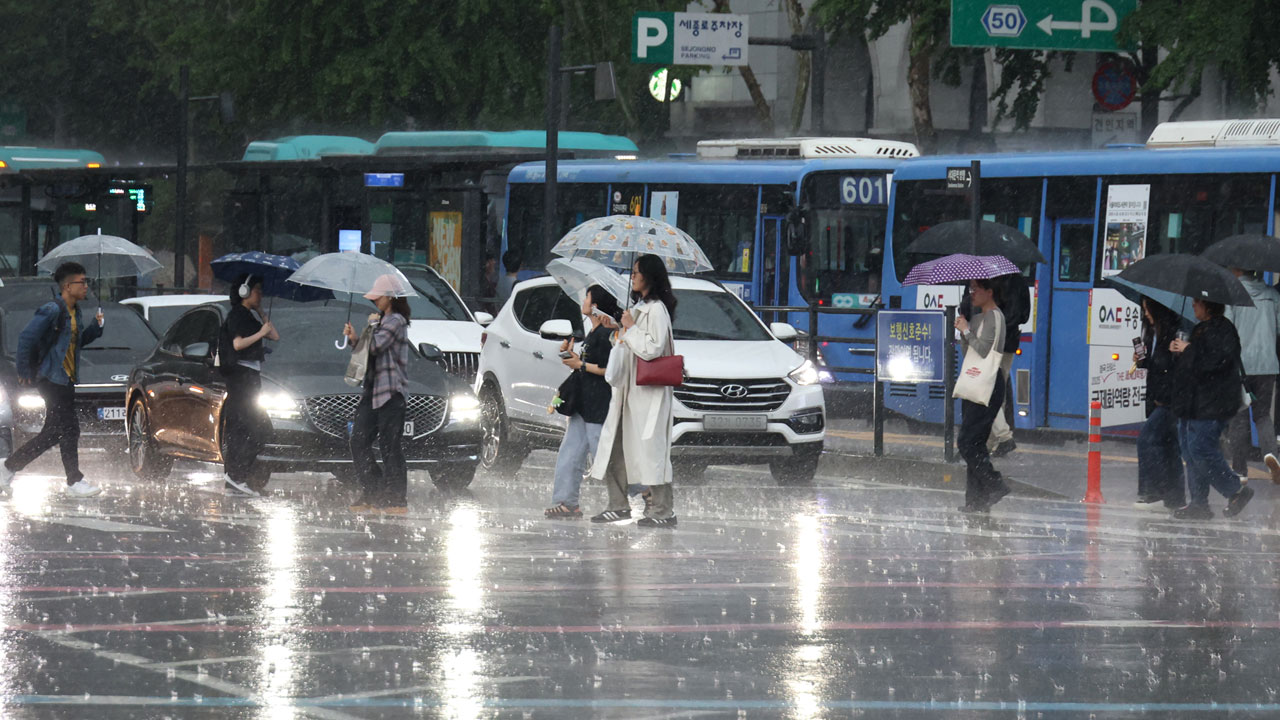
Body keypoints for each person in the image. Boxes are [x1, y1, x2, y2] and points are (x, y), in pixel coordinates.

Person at [1, 262, 105, 497]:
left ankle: (9, 468)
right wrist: (24, 371)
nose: (86, 286)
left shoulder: (76, 312)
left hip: (66, 379)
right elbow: (26, 338)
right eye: (82, 282)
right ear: (67, 286)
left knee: (59, 431)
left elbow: (75, 342)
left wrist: (96, 328)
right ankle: (73, 481)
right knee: (67, 429)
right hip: (51, 379)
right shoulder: (52, 309)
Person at [589, 254, 678, 527]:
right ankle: (618, 504)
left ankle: (663, 510)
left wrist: (629, 328)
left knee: (652, 452)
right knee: (615, 446)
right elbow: (632, 344)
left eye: (637, 272)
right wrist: (619, 330)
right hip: (629, 391)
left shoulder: (657, 310)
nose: (633, 277)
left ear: (649, 276)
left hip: (649, 394)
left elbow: (652, 348)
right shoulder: (639, 308)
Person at [1170, 298, 1254, 520]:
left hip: (1212, 402)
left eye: (1197, 302)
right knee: (1190, 450)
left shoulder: (1223, 329)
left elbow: (1215, 363)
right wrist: (1180, 352)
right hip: (1193, 402)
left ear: (1208, 305)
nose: (1193, 305)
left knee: (1201, 448)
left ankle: (1236, 491)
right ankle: (1199, 503)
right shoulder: (1201, 328)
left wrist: (1189, 350)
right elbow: (1195, 364)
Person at [545, 285, 621, 519]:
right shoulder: (593, 332)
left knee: (604, 455)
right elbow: (586, 364)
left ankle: (644, 490)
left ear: (595, 306)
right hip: (583, 403)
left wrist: (581, 365)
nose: (583, 301)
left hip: (597, 404)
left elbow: (609, 370)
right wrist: (571, 357)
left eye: (587, 297)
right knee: (570, 453)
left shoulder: (607, 335)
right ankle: (566, 502)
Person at [343, 274, 412, 514]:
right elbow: (364, 351)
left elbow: (375, 346)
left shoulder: (396, 321)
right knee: (359, 440)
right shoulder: (381, 321)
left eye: (378, 297)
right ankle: (373, 490)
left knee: (389, 444)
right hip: (372, 390)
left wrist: (369, 328)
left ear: (390, 297)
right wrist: (354, 338)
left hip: (390, 392)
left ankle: (396, 498)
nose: (374, 302)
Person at [954, 278, 1012, 513]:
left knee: (966, 442)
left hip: (988, 383)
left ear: (990, 291)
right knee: (975, 442)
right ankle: (975, 500)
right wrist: (964, 331)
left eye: (976, 289)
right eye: (970, 289)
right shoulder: (978, 318)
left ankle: (994, 484)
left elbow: (984, 351)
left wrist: (966, 330)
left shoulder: (995, 317)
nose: (972, 293)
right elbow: (969, 351)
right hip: (975, 381)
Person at [220, 274, 279, 497]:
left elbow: (275, 336)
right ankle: (235, 476)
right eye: (257, 290)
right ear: (244, 291)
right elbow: (237, 344)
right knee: (254, 428)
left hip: (251, 378)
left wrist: (262, 313)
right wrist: (260, 333)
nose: (260, 294)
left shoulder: (250, 315)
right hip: (241, 378)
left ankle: (237, 477)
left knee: (256, 429)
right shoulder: (237, 315)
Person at [959, 272, 1029, 458]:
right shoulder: (1017, 280)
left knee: (984, 391)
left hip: (983, 341)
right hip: (1008, 343)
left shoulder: (981, 277)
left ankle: (1000, 437)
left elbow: (967, 307)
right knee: (996, 393)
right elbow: (1023, 315)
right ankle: (990, 442)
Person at [1224, 267, 1280, 484]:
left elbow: (1227, 329)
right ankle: (1271, 455)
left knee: (1238, 416)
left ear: (1239, 270)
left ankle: (1240, 470)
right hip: (1267, 365)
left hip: (1241, 365)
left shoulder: (1233, 296)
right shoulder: (1272, 295)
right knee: (1262, 415)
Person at [1133, 297, 1187, 510]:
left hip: (1170, 401)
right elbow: (1154, 364)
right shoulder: (1151, 334)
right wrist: (1141, 361)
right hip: (1156, 397)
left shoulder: (1174, 334)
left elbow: (1173, 368)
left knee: (1146, 440)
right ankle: (1175, 498)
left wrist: (1178, 354)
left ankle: (1152, 492)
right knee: (1169, 447)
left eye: (1148, 310)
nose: (1146, 314)